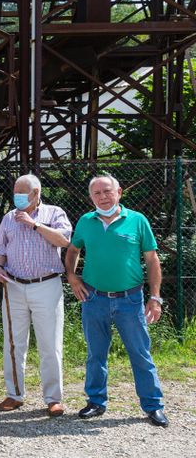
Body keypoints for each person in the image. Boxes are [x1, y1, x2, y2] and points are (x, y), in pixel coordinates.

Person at [65, 174, 168, 427]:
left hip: (130, 300)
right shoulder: (86, 222)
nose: (103, 196)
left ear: (119, 192)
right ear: (91, 197)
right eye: (97, 193)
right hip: (94, 298)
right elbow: (72, 250)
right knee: (95, 354)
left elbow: (152, 260)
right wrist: (72, 276)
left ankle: (153, 405)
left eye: (107, 191)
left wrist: (155, 298)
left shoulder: (137, 220)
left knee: (140, 354)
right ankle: (96, 402)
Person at [0, 174, 72, 416]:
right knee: (14, 343)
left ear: (36, 193)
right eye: (15, 191)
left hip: (46, 284)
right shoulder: (8, 218)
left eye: (22, 192)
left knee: (50, 344)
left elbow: (64, 241)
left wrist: (34, 224)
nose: (16, 196)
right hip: (14, 285)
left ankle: (53, 398)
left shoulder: (55, 213)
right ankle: (14, 394)